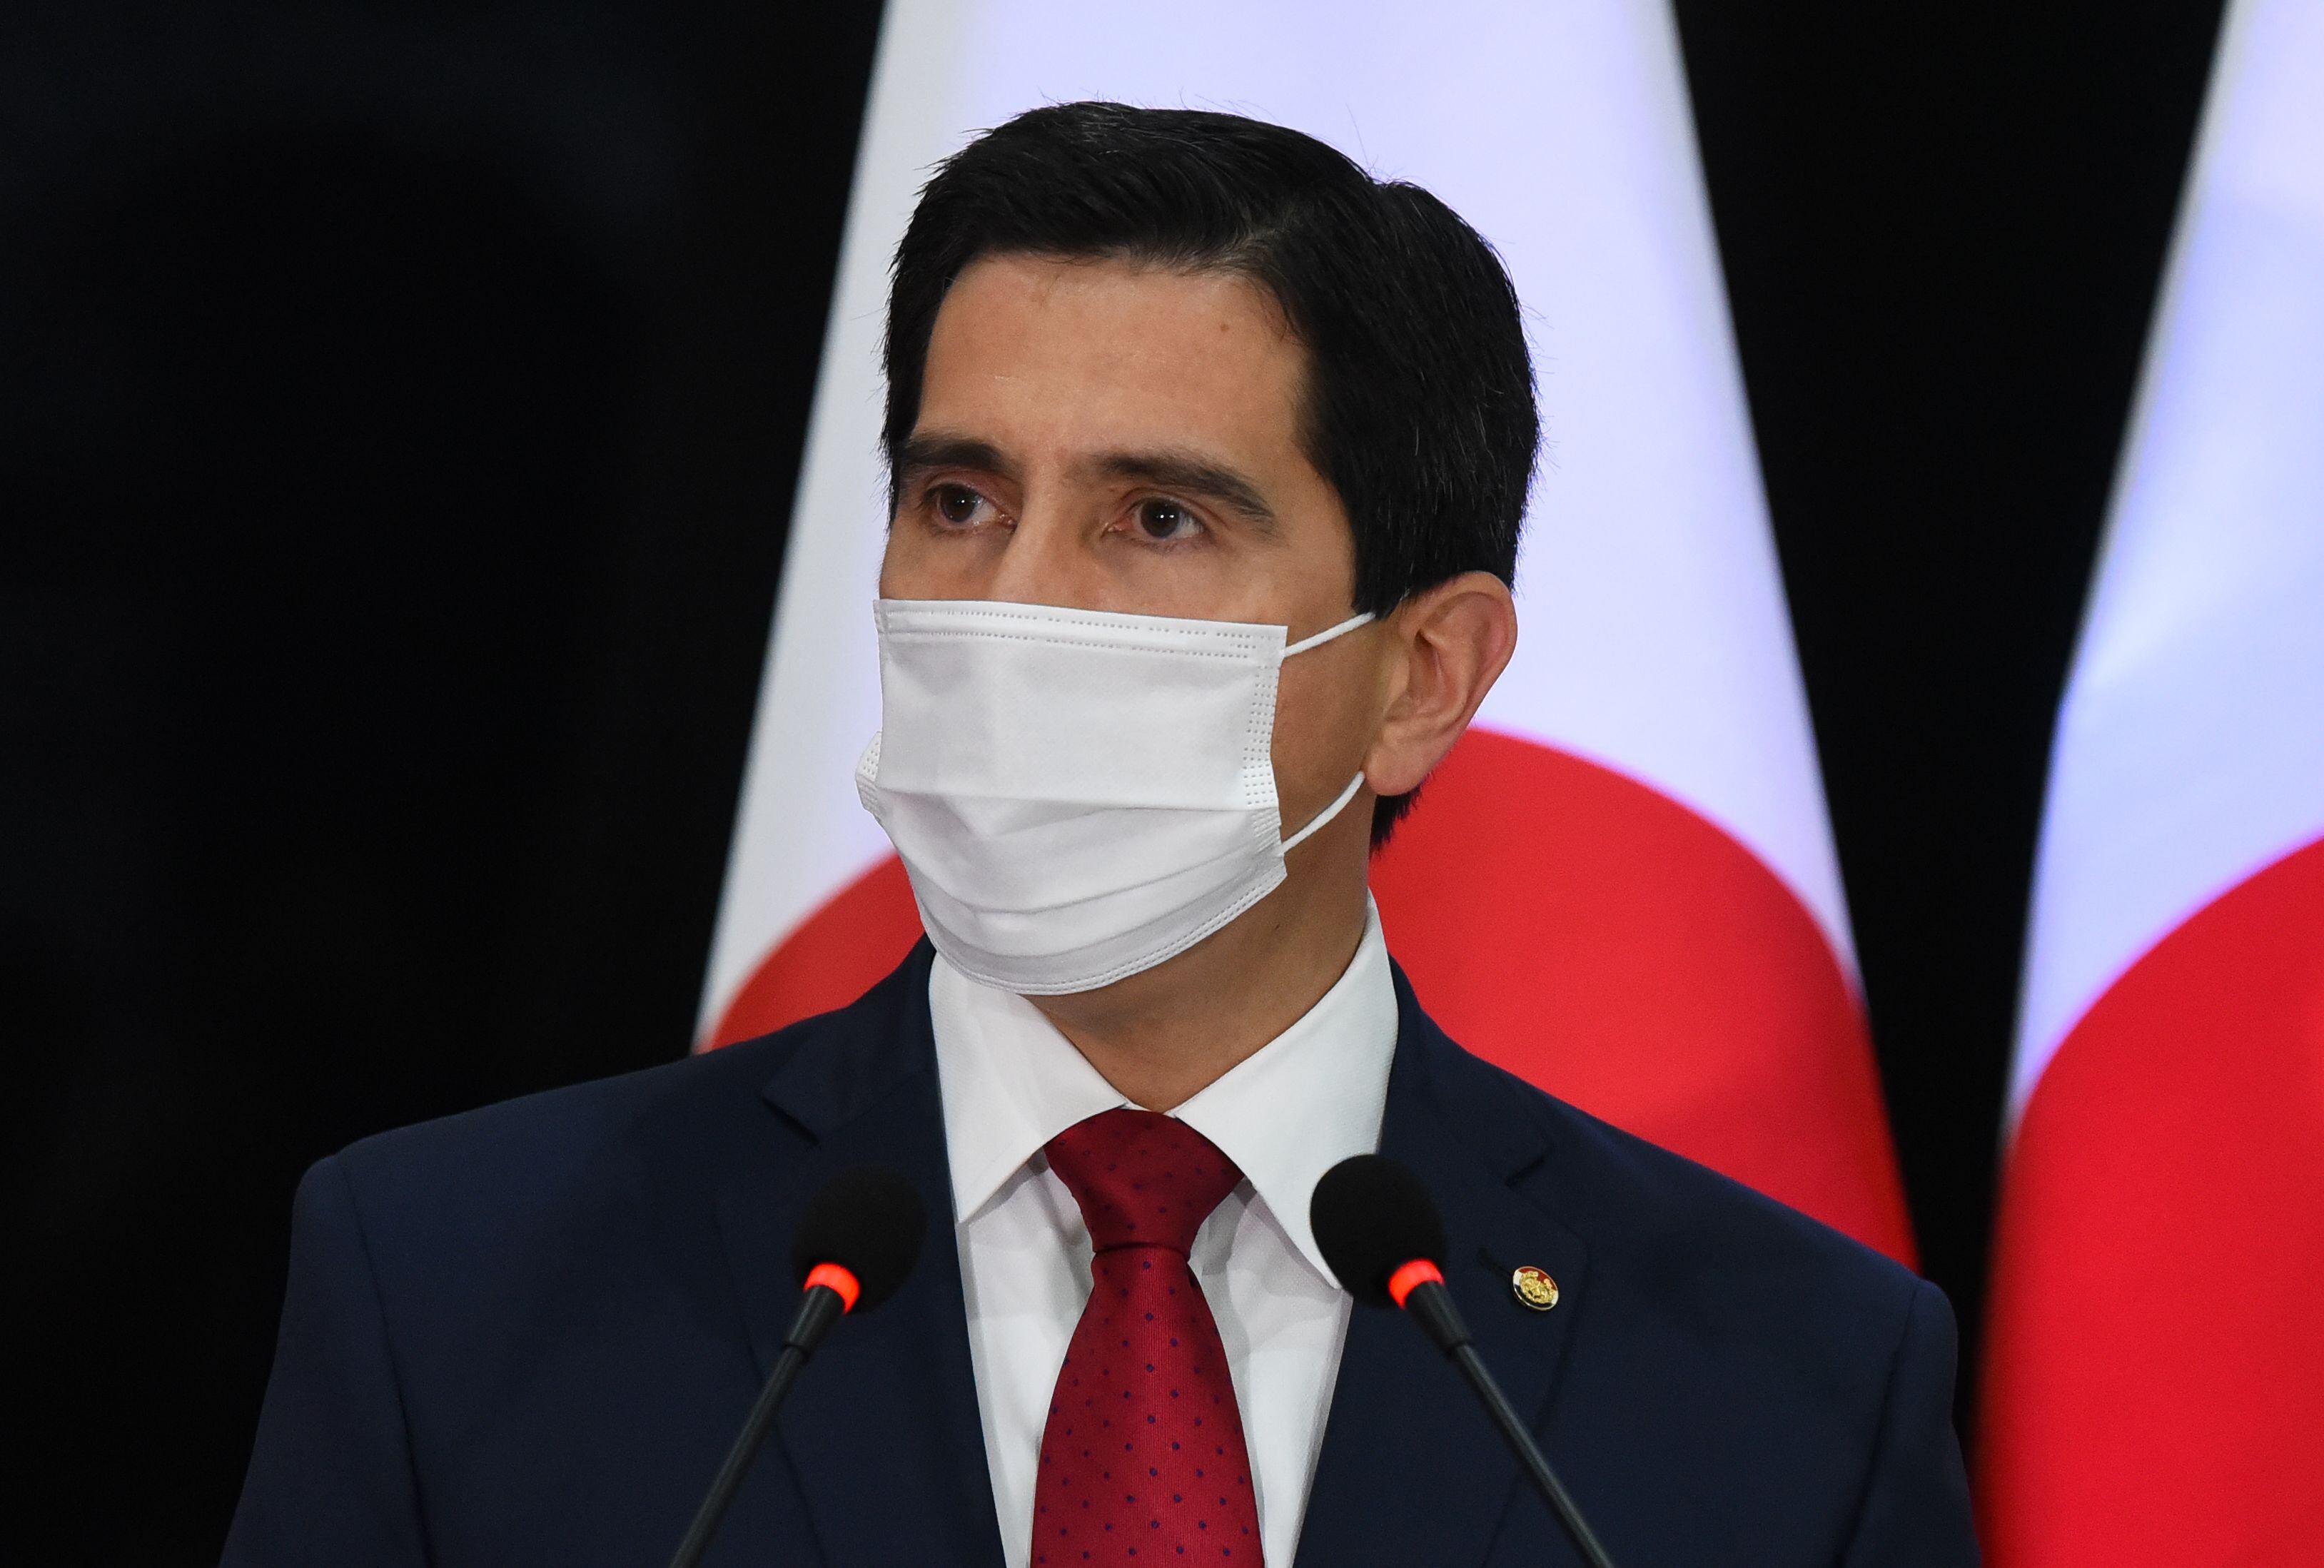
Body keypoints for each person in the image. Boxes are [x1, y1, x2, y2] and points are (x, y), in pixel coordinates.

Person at [224, 102, 1977, 1567]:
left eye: (1154, 517)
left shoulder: (1794, 1385)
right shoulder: (448, 1293)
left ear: (1420, 676)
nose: (1009, 603)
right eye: (959, 499)